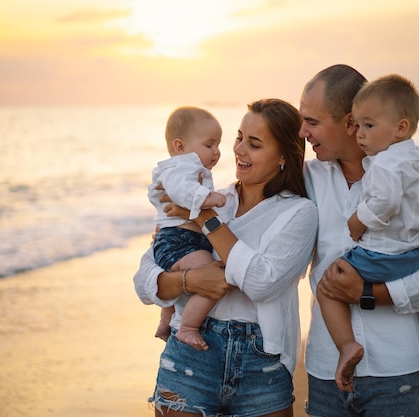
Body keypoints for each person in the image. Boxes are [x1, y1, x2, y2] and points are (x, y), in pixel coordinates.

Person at [300, 64, 419, 416]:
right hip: (324, 372)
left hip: (399, 373)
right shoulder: (307, 178)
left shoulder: (417, 177)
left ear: (351, 122)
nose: (302, 132)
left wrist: (369, 295)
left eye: (312, 122)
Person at [134, 98, 318, 417]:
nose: (238, 150)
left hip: (261, 365)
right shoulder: (213, 198)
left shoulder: (298, 213)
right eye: (239, 137)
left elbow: (261, 283)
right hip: (189, 356)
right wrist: (189, 280)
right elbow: (144, 281)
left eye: (255, 144)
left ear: (284, 158)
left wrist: (207, 219)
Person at [149, 106, 228, 350]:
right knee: (212, 275)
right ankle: (187, 327)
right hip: (178, 240)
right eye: (209, 145)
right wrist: (206, 199)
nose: (216, 152)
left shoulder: (189, 167)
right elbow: (179, 190)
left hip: (180, 239)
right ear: (180, 146)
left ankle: (166, 320)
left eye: (218, 145)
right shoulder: (180, 167)